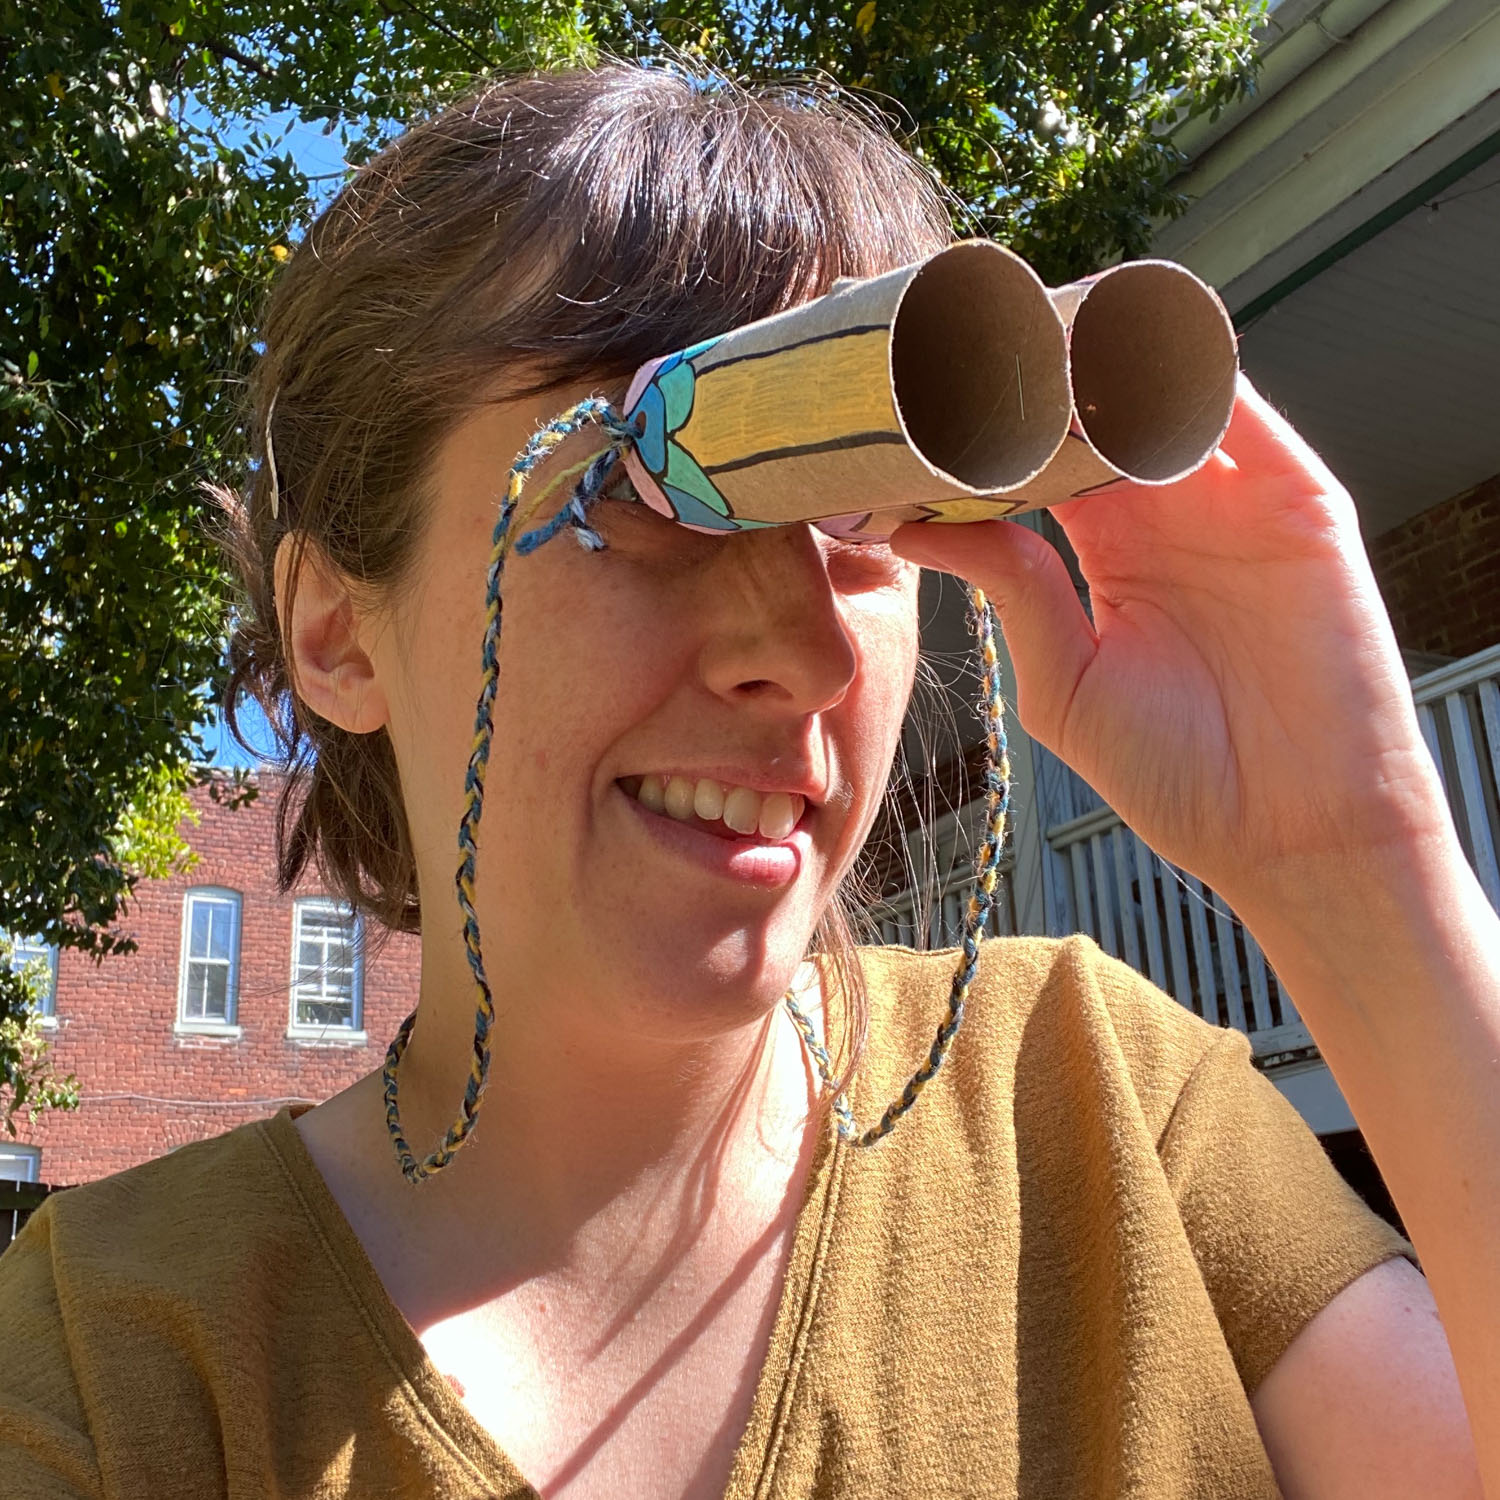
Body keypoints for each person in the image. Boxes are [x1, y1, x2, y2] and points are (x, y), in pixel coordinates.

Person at [1, 60, 1494, 1500]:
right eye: (630, 485)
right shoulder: (118, 1359)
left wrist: (1355, 864)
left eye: (860, 517)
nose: (805, 651)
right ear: (336, 629)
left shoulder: (1109, 1112)